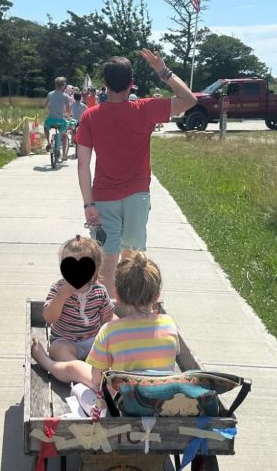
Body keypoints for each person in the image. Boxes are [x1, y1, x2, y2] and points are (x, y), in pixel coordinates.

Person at [74, 49, 197, 299]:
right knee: (132, 258)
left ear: (104, 84)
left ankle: (108, 316)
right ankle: (130, 312)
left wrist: (88, 203)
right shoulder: (146, 109)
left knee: (107, 260)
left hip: (104, 196)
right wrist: (163, 71)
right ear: (132, 84)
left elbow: (83, 165)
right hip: (137, 195)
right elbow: (189, 99)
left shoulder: (90, 116)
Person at [30, 252, 180, 392]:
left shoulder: (111, 330)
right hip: (163, 395)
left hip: (123, 398)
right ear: (157, 296)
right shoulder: (169, 324)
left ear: (117, 296)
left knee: (75, 369)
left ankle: (46, 362)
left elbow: (96, 377)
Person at [30, 236, 115, 385]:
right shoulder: (58, 288)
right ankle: (86, 372)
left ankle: (83, 373)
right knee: (58, 350)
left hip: (93, 341)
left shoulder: (99, 291)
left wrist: (125, 328)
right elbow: (50, 318)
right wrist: (63, 295)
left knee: (112, 347)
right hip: (65, 340)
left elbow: (108, 318)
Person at [43, 76, 72, 162]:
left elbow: (46, 105)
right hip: (60, 121)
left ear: (55, 85)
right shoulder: (65, 96)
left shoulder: (50, 94)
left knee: (45, 127)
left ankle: (48, 142)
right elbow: (68, 110)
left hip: (51, 120)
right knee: (64, 135)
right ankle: (64, 155)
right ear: (64, 85)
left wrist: (49, 109)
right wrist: (69, 116)